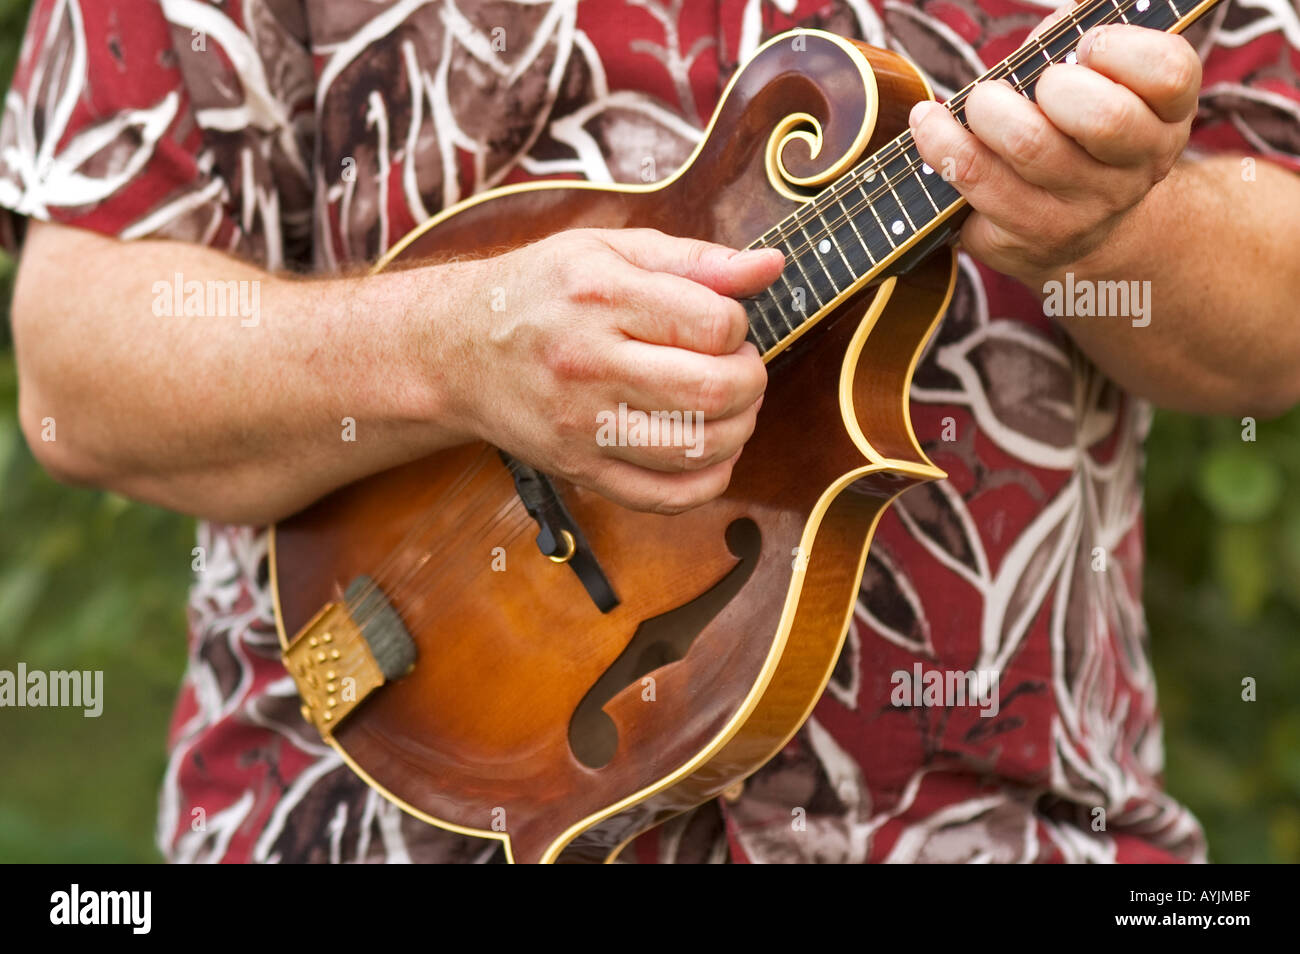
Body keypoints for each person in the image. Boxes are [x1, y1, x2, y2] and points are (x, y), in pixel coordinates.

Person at [2, 0, 1297, 864]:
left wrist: (1112, 224)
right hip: (347, 809)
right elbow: (78, 365)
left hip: (995, 829)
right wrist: (444, 352)